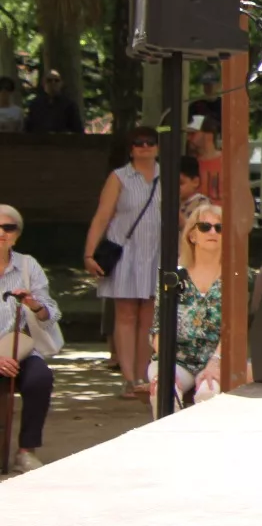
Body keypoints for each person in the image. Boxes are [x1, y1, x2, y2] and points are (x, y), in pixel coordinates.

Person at [84, 125, 161, 398]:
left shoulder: (167, 177)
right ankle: (129, 378)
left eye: (150, 142)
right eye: (138, 142)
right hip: (126, 254)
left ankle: (143, 375)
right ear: (130, 149)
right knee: (126, 314)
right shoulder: (118, 177)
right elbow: (102, 216)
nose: (144, 146)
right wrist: (89, 253)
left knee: (149, 317)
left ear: (158, 146)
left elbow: (178, 216)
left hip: (157, 254)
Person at [0, 204, 63, 473]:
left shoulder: (28, 265)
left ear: (17, 234)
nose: (1, 232)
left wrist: (34, 305)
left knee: (40, 378)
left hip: (20, 349)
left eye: (8, 227)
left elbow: (51, 313)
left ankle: (26, 450)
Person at [148, 202, 225, 417]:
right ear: (192, 235)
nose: (213, 232)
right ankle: (168, 447)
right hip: (175, 357)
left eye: (219, 228)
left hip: (216, 357)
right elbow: (158, 329)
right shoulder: (173, 276)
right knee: (164, 391)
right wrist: (167, 366)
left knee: (208, 394)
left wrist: (216, 363)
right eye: (205, 227)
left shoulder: (237, 277)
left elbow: (237, 328)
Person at [24, 69, 83, 134]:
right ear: (43, 83)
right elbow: (28, 128)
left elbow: (78, 130)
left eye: (56, 80)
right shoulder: (35, 105)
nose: (53, 83)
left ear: (61, 83)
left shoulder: (70, 105)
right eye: (49, 80)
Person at [189, 117, 223, 204]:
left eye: (192, 134)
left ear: (208, 135)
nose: (188, 138)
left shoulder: (228, 162)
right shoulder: (189, 163)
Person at [189, 70, 223, 134]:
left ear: (218, 85)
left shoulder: (225, 106)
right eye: (206, 84)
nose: (208, 87)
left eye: (211, 84)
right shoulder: (195, 106)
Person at [178, 155, 207, 219]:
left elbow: (202, 227)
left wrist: (182, 221)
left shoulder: (202, 203)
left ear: (195, 182)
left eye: (180, 183)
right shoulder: (175, 202)